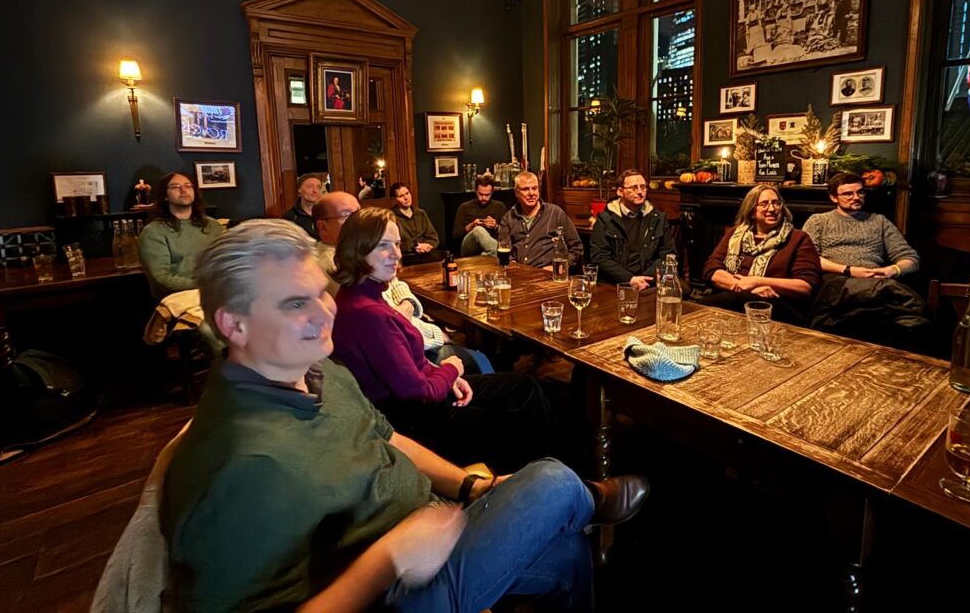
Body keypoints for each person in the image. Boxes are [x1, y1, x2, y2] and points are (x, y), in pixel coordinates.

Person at [161, 218, 649, 613]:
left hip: (433, 529)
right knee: (550, 482)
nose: (324, 312)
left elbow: (386, 436)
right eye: (295, 303)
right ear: (233, 324)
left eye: (320, 291)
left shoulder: (319, 370)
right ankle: (584, 498)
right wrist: (387, 560)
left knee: (567, 554)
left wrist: (468, 485)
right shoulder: (230, 468)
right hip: (395, 591)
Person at [332, 209, 550, 472]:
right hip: (413, 421)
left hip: (419, 398)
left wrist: (447, 376)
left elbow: (409, 368)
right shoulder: (369, 314)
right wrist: (452, 369)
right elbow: (417, 393)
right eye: (383, 246)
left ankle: (545, 470)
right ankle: (538, 476)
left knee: (523, 386)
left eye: (398, 244)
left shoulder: (359, 293)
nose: (397, 254)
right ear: (358, 249)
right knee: (512, 414)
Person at [314, 193, 492, 374]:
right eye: (347, 215)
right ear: (323, 226)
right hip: (414, 350)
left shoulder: (366, 253)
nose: (358, 219)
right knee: (481, 361)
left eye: (359, 212)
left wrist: (407, 304)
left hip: (415, 332)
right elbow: (387, 329)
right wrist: (437, 335)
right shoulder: (336, 266)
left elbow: (397, 284)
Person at [802, 173, 929, 345]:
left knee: (895, 315)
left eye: (860, 192)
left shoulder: (879, 221)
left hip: (875, 280)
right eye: (848, 194)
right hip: (837, 281)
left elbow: (911, 259)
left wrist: (890, 270)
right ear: (834, 197)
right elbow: (808, 258)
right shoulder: (819, 221)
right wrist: (849, 270)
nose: (856, 197)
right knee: (902, 299)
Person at [699, 184, 821, 324]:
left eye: (776, 203)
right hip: (733, 298)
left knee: (713, 304)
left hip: (778, 305)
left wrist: (757, 281)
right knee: (731, 300)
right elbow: (711, 270)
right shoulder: (735, 234)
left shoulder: (798, 238)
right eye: (764, 204)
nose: (772, 209)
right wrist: (741, 286)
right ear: (751, 211)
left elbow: (805, 286)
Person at [137, 172, 223, 300]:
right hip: (178, 301)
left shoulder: (213, 226)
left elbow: (224, 263)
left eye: (188, 186)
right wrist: (205, 285)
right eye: (175, 186)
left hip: (216, 296)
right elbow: (162, 279)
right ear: (165, 196)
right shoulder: (153, 232)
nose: (183, 190)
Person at [590, 169, 677, 291]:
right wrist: (629, 279)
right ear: (620, 191)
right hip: (615, 283)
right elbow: (599, 256)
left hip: (649, 283)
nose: (640, 192)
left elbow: (667, 255)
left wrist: (645, 279)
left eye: (643, 187)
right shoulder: (605, 219)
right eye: (634, 188)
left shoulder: (658, 218)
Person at [499, 171, 582, 270]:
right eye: (525, 189)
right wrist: (512, 265)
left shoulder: (555, 213)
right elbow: (505, 250)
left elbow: (577, 248)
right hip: (520, 275)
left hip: (548, 275)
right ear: (516, 192)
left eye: (534, 188)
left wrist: (559, 267)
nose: (531, 193)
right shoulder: (508, 218)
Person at [453, 174, 507, 256]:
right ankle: (495, 252)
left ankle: (486, 255)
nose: (484, 198)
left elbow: (507, 233)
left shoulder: (499, 206)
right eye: (480, 194)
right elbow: (456, 235)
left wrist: (495, 226)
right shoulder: (465, 207)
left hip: (491, 244)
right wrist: (472, 225)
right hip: (469, 246)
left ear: (492, 192)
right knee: (478, 230)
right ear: (475, 191)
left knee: (486, 252)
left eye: (487, 195)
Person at [389, 182, 439, 263]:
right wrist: (415, 247)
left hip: (426, 255)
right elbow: (392, 244)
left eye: (407, 193)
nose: (406, 198)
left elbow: (433, 237)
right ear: (394, 199)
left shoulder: (420, 213)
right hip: (405, 258)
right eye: (401, 196)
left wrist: (426, 246)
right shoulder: (391, 217)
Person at [283, 173, 324, 240]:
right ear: (299, 190)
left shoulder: (327, 213)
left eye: (318, 187)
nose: (315, 191)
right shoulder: (290, 217)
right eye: (310, 187)